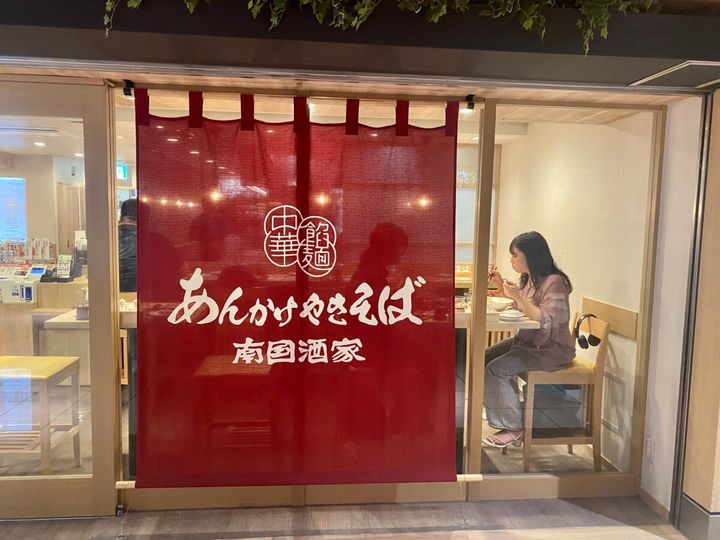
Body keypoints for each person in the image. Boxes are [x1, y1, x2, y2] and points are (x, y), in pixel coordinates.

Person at [482, 231, 575, 449]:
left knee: (496, 369)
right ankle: (506, 411)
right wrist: (502, 288)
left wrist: (517, 296)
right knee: (486, 356)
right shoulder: (531, 278)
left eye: (515, 255)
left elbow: (545, 320)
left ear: (531, 256)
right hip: (530, 342)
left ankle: (513, 427)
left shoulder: (555, 282)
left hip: (550, 349)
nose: (511, 260)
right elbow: (524, 308)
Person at [118, 198, 137, 293]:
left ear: (121, 217)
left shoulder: (107, 237)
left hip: (111, 293)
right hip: (145, 294)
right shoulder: (153, 238)